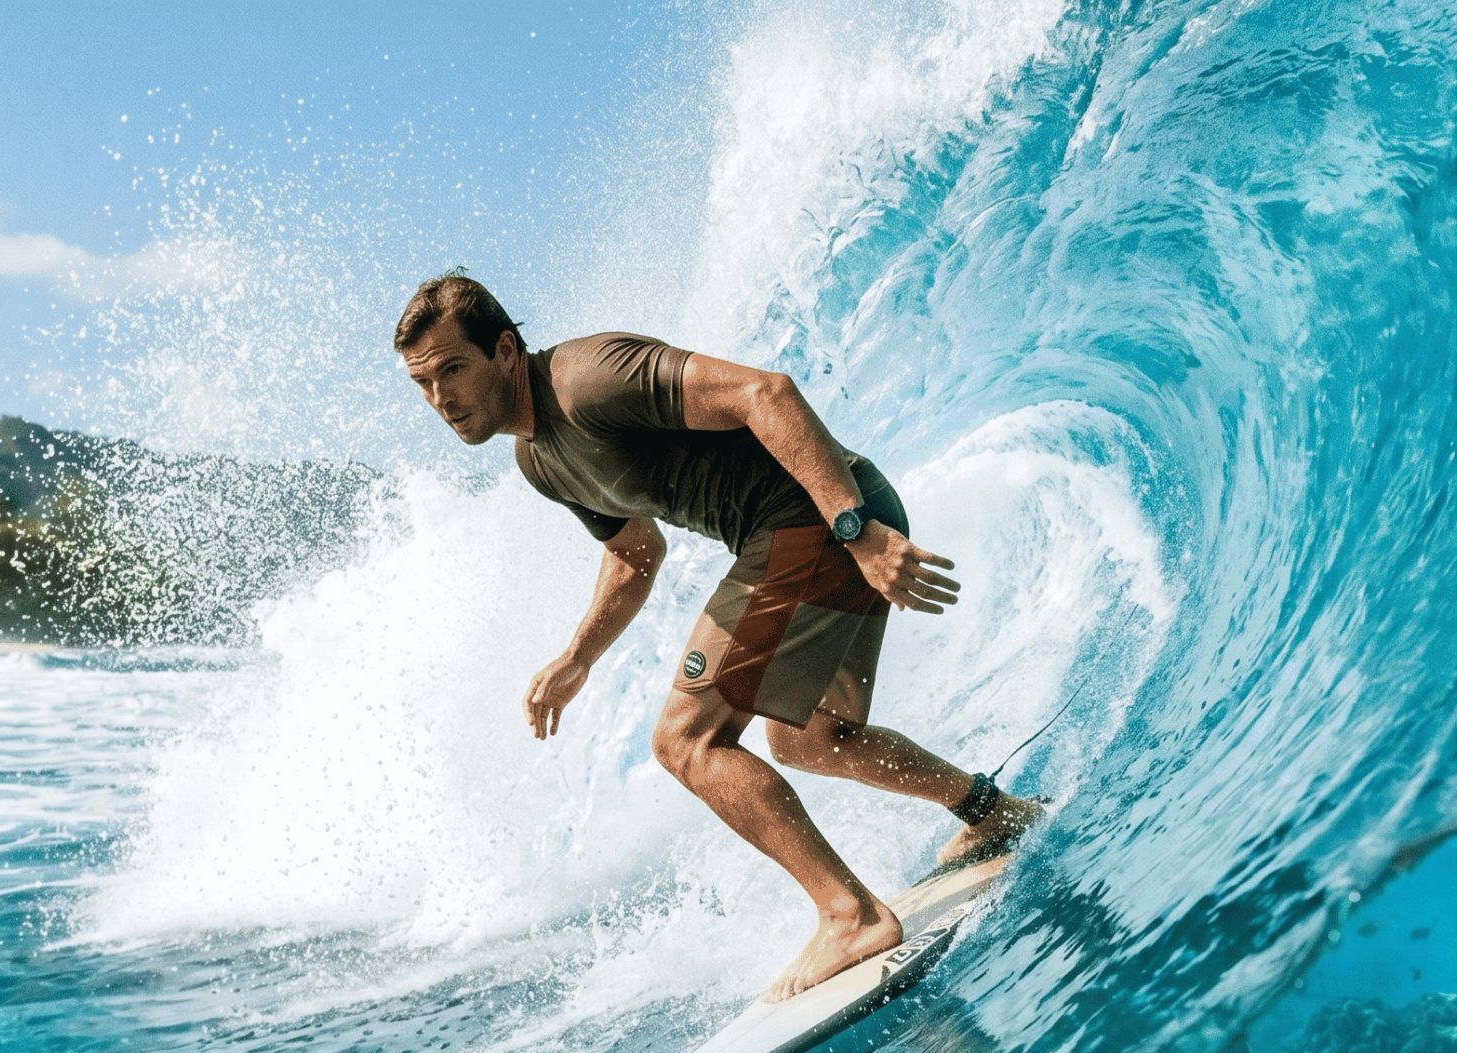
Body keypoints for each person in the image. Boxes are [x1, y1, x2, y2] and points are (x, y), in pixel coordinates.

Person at [395, 273, 1041, 1002]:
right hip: (828, 522)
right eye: (423, 382)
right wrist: (578, 657)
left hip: (817, 519)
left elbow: (766, 393)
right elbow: (634, 553)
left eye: (453, 369)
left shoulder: (587, 378)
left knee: (686, 739)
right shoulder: (539, 460)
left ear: (504, 351)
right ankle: (993, 814)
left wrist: (854, 533)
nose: (440, 398)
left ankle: (850, 914)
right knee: (813, 737)